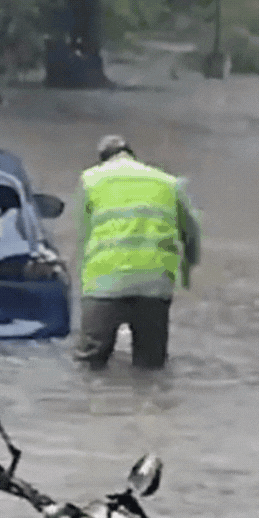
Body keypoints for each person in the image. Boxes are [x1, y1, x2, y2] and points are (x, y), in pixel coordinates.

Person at [73, 135, 201, 370]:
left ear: (102, 158)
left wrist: (81, 277)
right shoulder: (168, 182)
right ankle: (149, 403)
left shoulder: (91, 179)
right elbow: (192, 231)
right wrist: (188, 270)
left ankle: (90, 403)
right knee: (151, 364)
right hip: (154, 284)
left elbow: (82, 232)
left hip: (105, 282)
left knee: (90, 362)